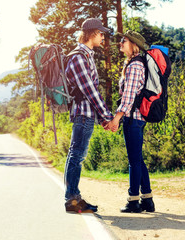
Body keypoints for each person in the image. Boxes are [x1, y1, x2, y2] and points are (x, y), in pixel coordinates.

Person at [64, 18, 114, 213]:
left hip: (86, 114)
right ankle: (72, 200)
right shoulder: (78, 57)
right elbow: (91, 90)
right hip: (83, 114)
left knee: (76, 155)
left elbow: (91, 91)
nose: (103, 37)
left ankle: (73, 198)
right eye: (101, 33)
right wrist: (107, 117)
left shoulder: (86, 56)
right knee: (77, 156)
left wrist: (102, 118)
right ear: (92, 33)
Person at [108, 30, 155, 213]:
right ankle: (148, 200)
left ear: (134, 45)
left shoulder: (135, 66)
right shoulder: (133, 63)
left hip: (133, 118)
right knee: (138, 159)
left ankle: (133, 201)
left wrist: (117, 118)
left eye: (124, 41)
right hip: (135, 118)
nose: (120, 43)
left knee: (134, 161)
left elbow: (128, 97)